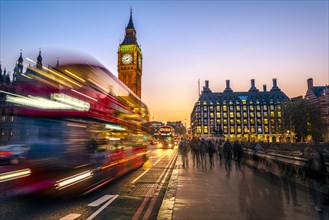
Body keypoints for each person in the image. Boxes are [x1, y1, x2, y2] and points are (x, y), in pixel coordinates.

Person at [304, 144, 327, 212]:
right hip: (313, 174)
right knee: (316, 190)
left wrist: (324, 171)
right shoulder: (308, 151)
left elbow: (322, 163)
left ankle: (313, 200)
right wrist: (311, 157)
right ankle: (317, 205)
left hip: (319, 174)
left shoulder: (319, 152)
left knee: (316, 189)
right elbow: (306, 162)